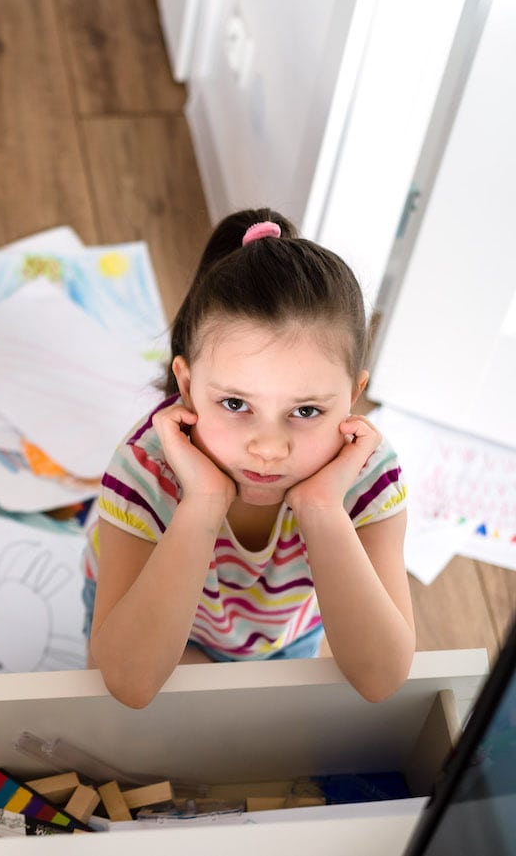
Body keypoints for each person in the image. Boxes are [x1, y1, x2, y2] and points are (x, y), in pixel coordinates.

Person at [84, 208, 412, 709]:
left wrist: (322, 509)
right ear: (188, 385)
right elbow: (127, 680)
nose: (268, 448)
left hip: (283, 636)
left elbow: (381, 677)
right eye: (236, 405)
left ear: (353, 396)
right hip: (158, 629)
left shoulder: (367, 475)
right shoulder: (145, 471)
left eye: (305, 410)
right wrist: (203, 502)